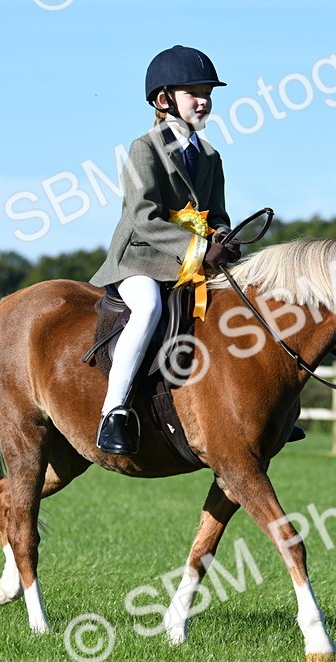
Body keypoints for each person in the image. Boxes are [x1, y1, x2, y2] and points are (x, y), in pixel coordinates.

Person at [89, 45, 239, 455]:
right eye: (193, 91)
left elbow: (218, 213)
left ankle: (250, 405)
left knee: (237, 302)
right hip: (139, 257)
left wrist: (224, 239)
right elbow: (143, 216)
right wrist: (198, 246)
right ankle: (114, 412)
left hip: (191, 261)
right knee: (149, 308)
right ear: (163, 100)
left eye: (207, 91)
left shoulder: (211, 157)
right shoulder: (144, 148)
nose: (204, 99)